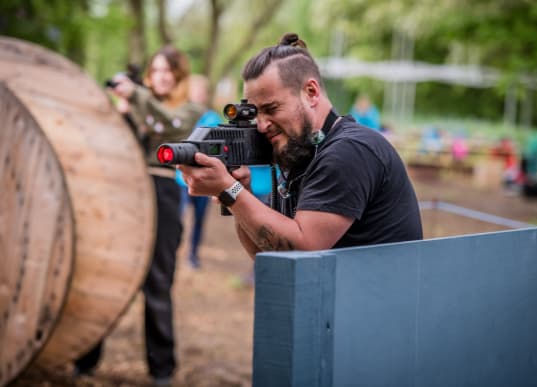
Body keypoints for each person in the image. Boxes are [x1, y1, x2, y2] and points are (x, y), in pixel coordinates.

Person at [178, 32, 422, 260]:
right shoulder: (304, 151)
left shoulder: (349, 150)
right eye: (255, 113)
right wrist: (243, 193)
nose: (261, 125)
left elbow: (303, 251)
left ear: (311, 92)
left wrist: (230, 191)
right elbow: (269, 254)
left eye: (271, 109)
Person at [75, 45, 202, 386]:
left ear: (178, 76)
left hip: (162, 194)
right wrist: (121, 108)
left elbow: (167, 125)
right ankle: (85, 357)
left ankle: (162, 369)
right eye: (154, 70)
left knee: (157, 283)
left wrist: (137, 98)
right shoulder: (139, 106)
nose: (160, 77)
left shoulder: (188, 111)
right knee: (107, 273)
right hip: (124, 194)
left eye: (167, 72)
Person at [175, 74, 222, 268]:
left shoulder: (212, 118)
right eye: (194, 91)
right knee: (179, 217)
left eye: (201, 92)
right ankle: (175, 249)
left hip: (205, 180)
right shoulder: (180, 114)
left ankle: (193, 254)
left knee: (199, 219)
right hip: (181, 179)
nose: (198, 95)